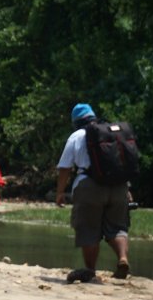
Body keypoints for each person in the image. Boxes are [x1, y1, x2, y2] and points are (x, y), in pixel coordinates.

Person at [55, 103, 131, 283]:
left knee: (88, 229)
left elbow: (65, 167)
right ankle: (122, 258)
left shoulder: (77, 136)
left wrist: (60, 192)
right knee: (117, 227)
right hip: (119, 186)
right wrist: (127, 188)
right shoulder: (112, 133)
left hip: (89, 186)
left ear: (76, 122)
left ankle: (90, 270)